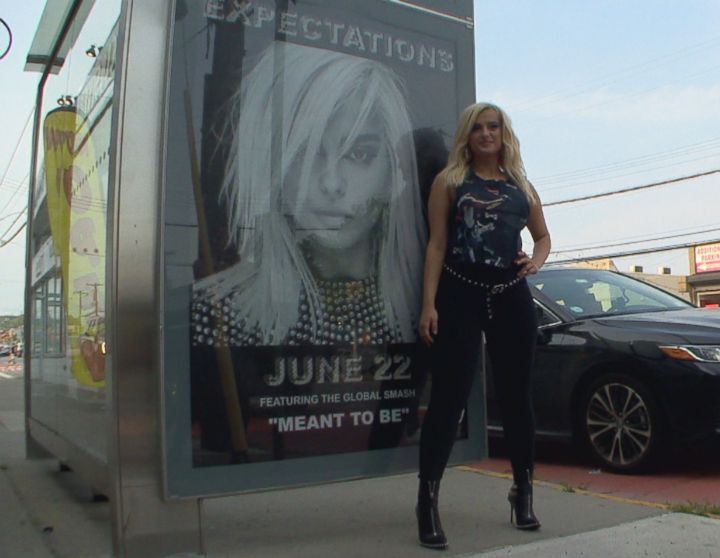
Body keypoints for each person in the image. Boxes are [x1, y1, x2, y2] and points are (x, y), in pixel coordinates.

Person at [191, 43, 426, 346]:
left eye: (359, 154)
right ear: (276, 169)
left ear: (393, 173)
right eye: (306, 152)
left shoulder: (422, 307)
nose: (331, 182)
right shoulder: (216, 315)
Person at [415, 103, 552, 549]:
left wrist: (535, 262)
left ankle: (523, 492)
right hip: (460, 292)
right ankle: (427, 501)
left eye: (493, 127)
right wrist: (428, 304)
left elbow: (543, 236)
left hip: (510, 296)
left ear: (504, 133)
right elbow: (436, 245)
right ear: (467, 136)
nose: (486, 134)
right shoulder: (450, 182)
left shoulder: (520, 186)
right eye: (478, 127)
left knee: (517, 398)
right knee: (449, 398)